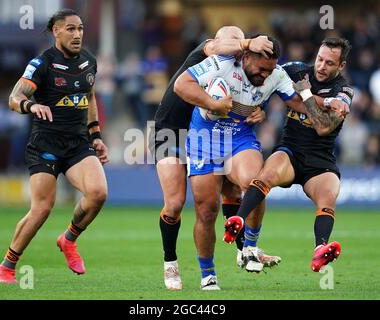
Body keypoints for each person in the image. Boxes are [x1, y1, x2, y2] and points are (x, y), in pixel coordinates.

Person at [174, 35, 310, 290]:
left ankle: (250, 247)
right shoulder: (223, 63)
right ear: (246, 57)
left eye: (270, 70)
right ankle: (208, 275)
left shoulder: (276, 75)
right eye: (261, 69)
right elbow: (181, 85)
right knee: (206, 210)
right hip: (205, 139)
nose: (265, 75)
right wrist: (212, 103)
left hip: (239, 137)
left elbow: (300, 104)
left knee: (256, 184)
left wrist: (326, 104)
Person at [148, 27, 279, 290]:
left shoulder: (236, 67)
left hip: (209, 133)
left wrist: (258, 113)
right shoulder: (209, 50)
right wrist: (247, 41)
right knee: (174, 204)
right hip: (171, 132)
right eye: (233, 42)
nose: (238, 48)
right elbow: (221, 47)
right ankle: (170, 262)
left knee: (231, 194)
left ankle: (245, 250)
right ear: (217, 41)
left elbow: (247, 99)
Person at [0, 9, 109, 283]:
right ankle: (7, 266)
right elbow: (14, 97)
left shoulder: (89, 62)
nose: (77, 34)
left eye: (79, 28)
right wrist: (32, 105)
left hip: (78, 143)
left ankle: (69, 239)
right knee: (42, 208)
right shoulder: (42, 63)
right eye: (70, 29)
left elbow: (89, 97)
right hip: (46, 143)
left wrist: (95, 135)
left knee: (98, 193)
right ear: (56, 31)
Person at [224, 37, 353, 272]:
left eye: (330, 63)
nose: (322, 66)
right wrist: (258, 109)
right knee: (266, 175)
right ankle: (238, 221)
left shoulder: (343, 92)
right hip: (290, 151)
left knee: (328, 197)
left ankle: (319, 250)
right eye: (320, 59)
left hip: (320, 161)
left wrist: (305, 95)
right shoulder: (295, 70)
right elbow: (262, 80)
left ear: (341, 66)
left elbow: (323, 127)